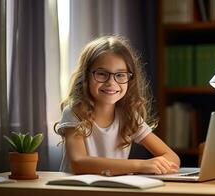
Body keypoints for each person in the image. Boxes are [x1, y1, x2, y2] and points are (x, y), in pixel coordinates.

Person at [55, 35, 180, 176]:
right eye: (102, 74)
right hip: (78, 192)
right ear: (85, 76)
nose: (111, 82)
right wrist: (140, 165)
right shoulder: (74, 112)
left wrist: (155, 165)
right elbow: (79, 163)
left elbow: (172, 158)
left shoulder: (128, 116)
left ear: (129, 79)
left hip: (114, 191)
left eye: (120, 75)